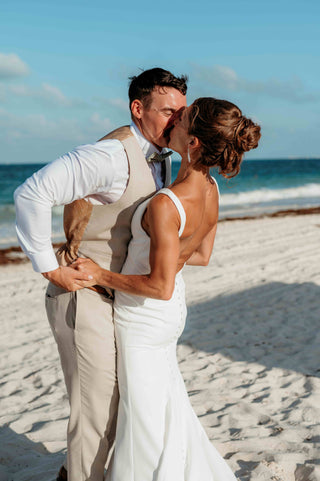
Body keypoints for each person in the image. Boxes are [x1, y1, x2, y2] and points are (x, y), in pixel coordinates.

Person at [70, 97, 261, 480]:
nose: (172, 122)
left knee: (143, 417)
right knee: (163, 403)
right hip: (169, 314)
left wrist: (99, 274)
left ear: (192, 143)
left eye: (182, 120)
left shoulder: (165, 204)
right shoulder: (210, 190)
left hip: (144, 317)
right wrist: (166, 259)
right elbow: (203, 255)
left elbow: (158, 286)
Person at [14, 68, 188, 481]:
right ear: (137, 108)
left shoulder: (161, 158)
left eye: (181, 113)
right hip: (83, 295)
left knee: (116, 406)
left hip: (121, 298)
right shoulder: (107, 156)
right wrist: (50, 268)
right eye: (167, 111)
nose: (175, 121)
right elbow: (32, 193)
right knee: (96, 411)